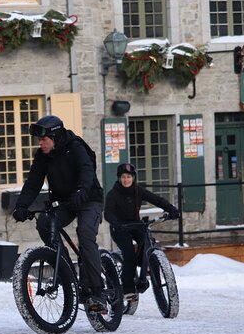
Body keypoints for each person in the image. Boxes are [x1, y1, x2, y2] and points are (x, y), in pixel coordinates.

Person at [12, 115, 107, 312]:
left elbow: (87, 170)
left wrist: (82, 191)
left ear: (55, 136)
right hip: (65, 202)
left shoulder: (76, 147)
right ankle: (66, 273)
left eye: (44, 139)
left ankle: (98, 292)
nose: (40, 143)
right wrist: (21, 206)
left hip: (88, 198)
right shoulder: (42, 156)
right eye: (39, 140)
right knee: (45, 223)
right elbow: (33, 183)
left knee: (85, 234)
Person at [104, 162, 180, 301]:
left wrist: (172, 209)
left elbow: (157, 200)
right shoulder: (113, 194)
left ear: (133, 178)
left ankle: (146, 266)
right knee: (129, 255)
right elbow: (108, 212)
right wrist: (115, 223)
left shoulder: (138, 191)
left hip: (136, 225)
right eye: (123, 177)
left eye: (128, 177)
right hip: (119, 228)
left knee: (148, 242)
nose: (126, 180)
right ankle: (128, 289)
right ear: (119, 179)